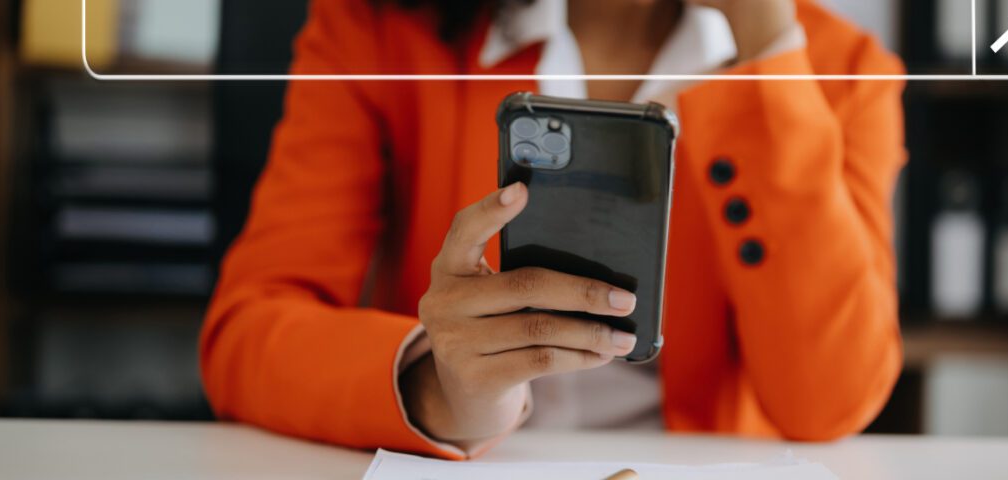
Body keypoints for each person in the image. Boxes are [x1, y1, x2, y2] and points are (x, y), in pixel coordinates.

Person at [200, 0, 906, 460]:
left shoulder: (836, 72)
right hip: (460, 466)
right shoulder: (375, 28)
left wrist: (766, 46)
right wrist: (437, 384)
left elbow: (829, 401)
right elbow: (246, 333)